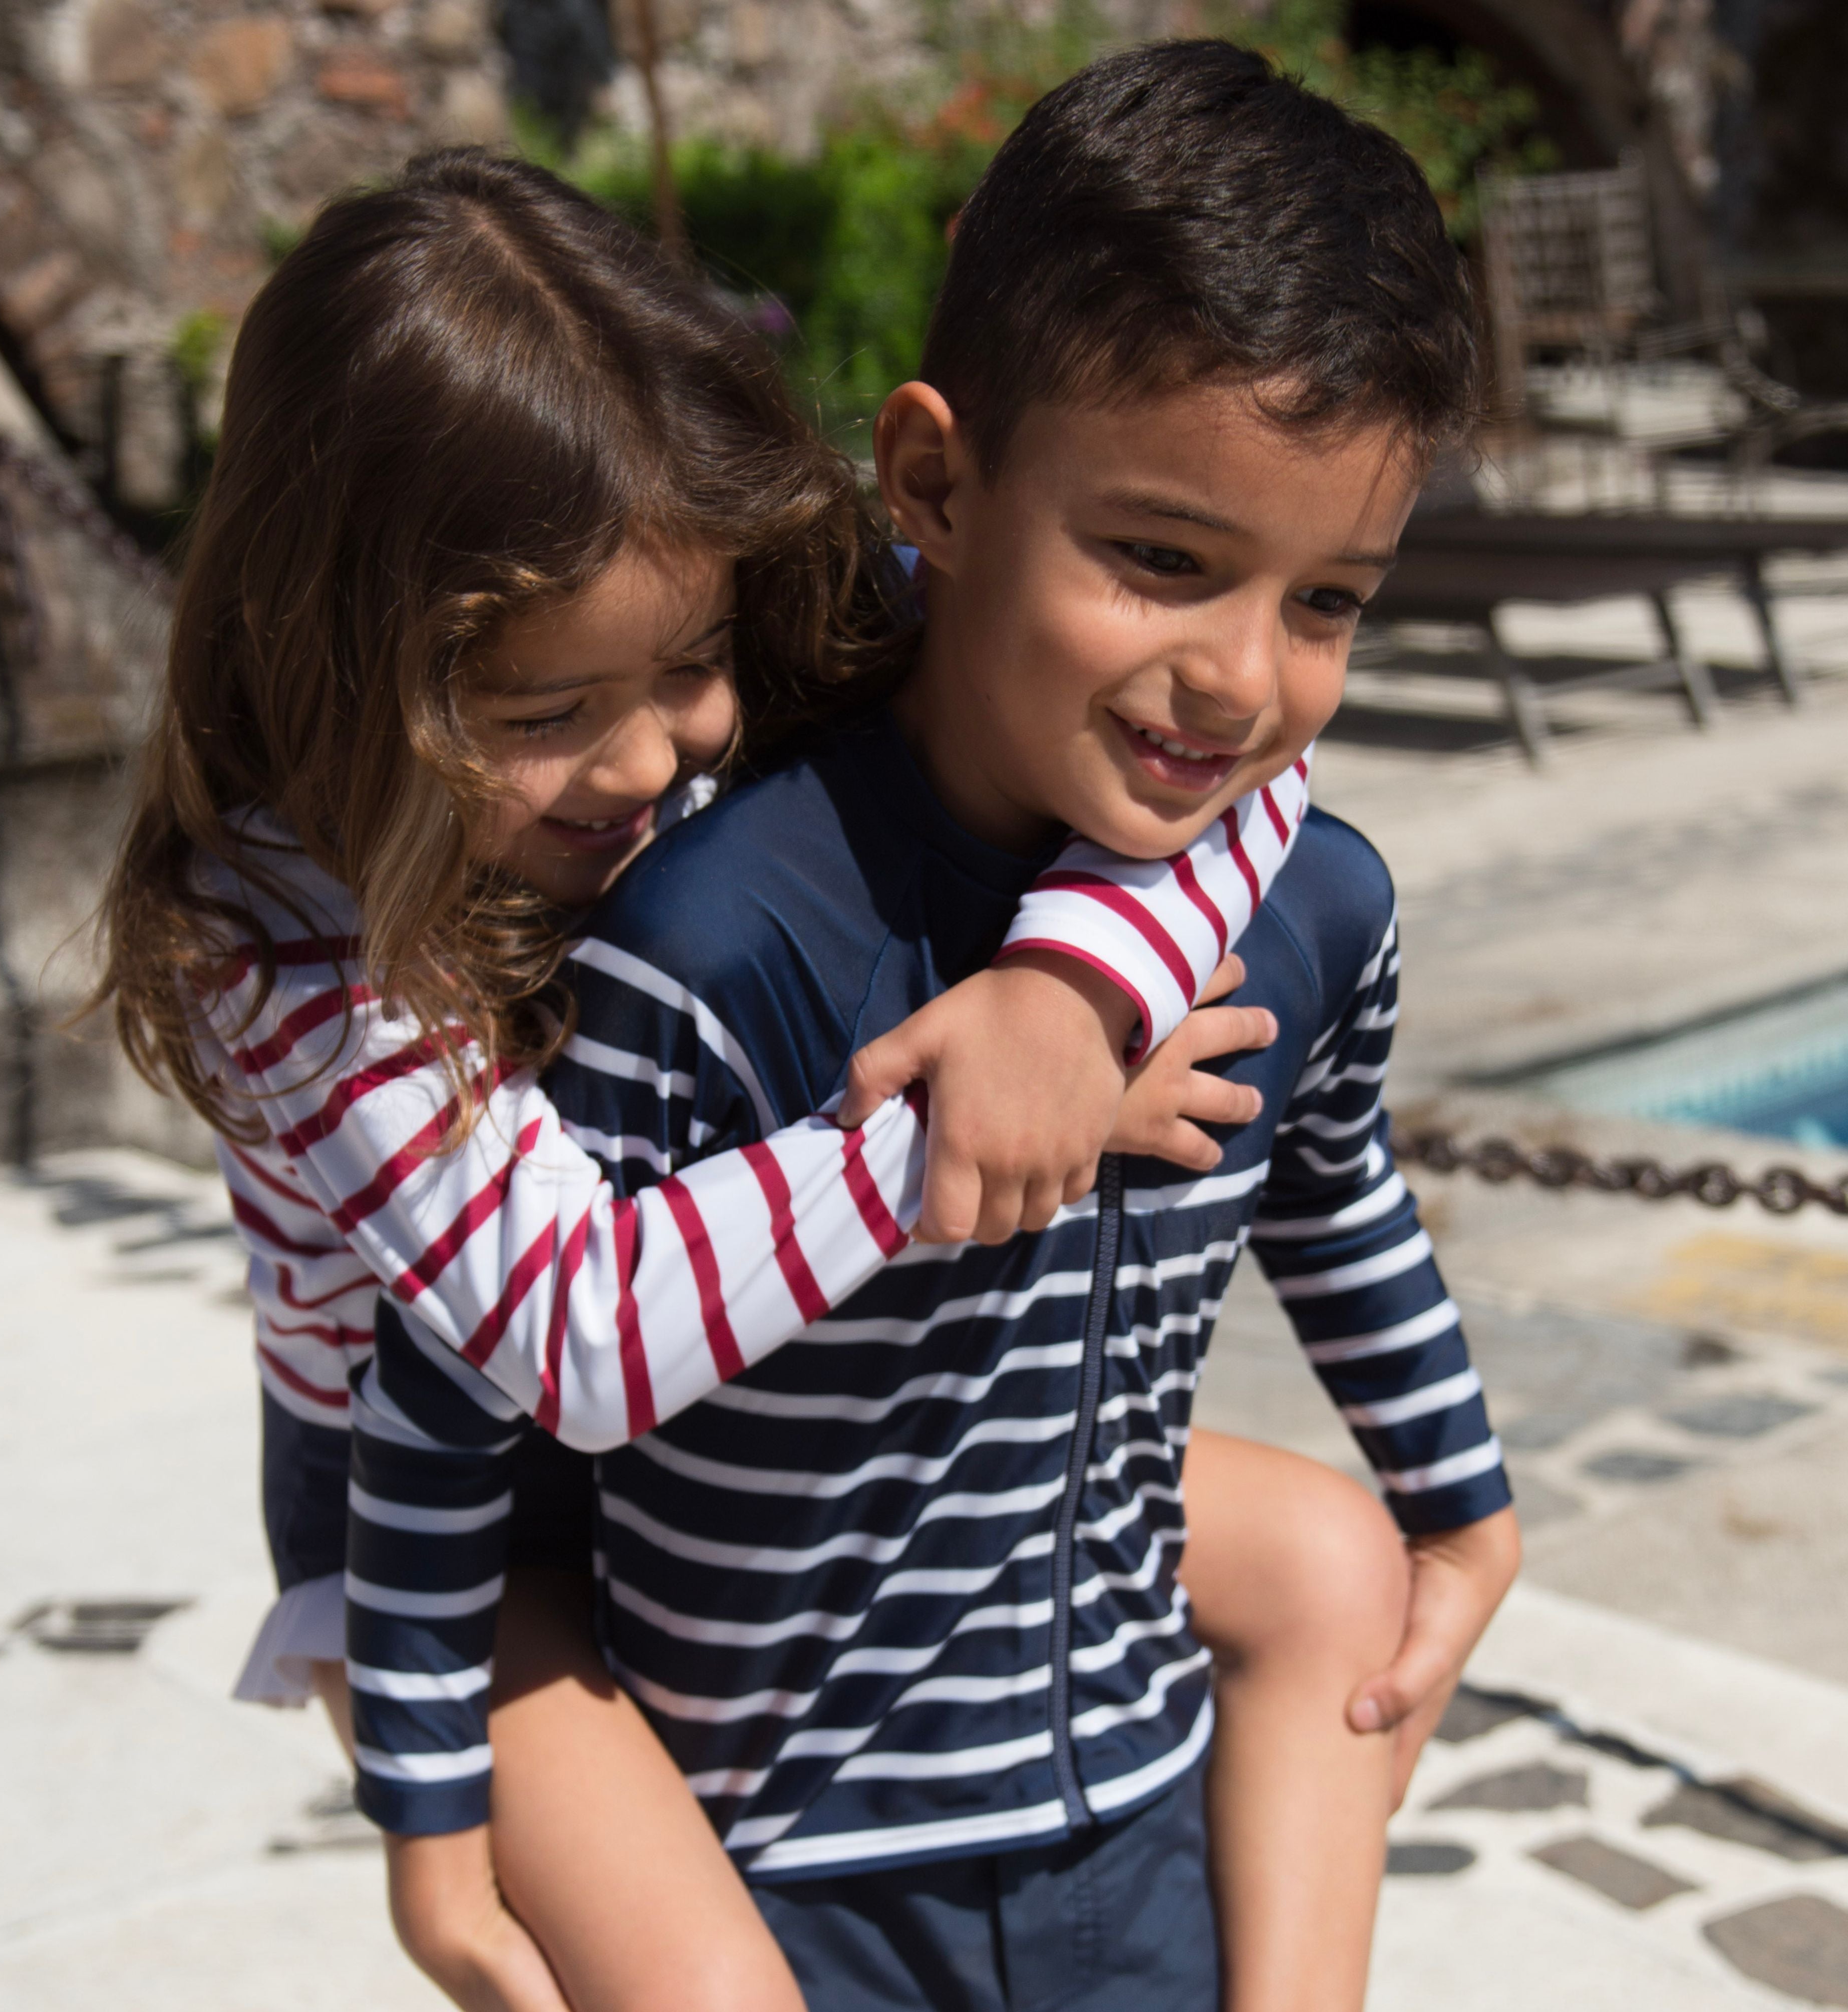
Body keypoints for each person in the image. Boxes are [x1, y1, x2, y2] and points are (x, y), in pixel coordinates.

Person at [352, 46, 1521, 2012]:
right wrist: (442, 1795)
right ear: (934, 485)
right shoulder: (715, 944)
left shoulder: (1310, 907)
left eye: (1325, 599)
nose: (1238, 679)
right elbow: (479, 1407)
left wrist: (1458, 1501)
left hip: (1130, 1817)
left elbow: (1336, 1202)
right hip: (790, 1874)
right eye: (1157, 558)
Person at [92, 150, 1316, 2011]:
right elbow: (574, 1334)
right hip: (464, 1561)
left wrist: (1077, 993)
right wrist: (958, 1128)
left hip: (737, 1453)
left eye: (685, 667)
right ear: (336, 665)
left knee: (1326, 1563)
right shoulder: (280, 946)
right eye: (540, 714)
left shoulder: (740, 635)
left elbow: (1221, 759)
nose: (655, 759)